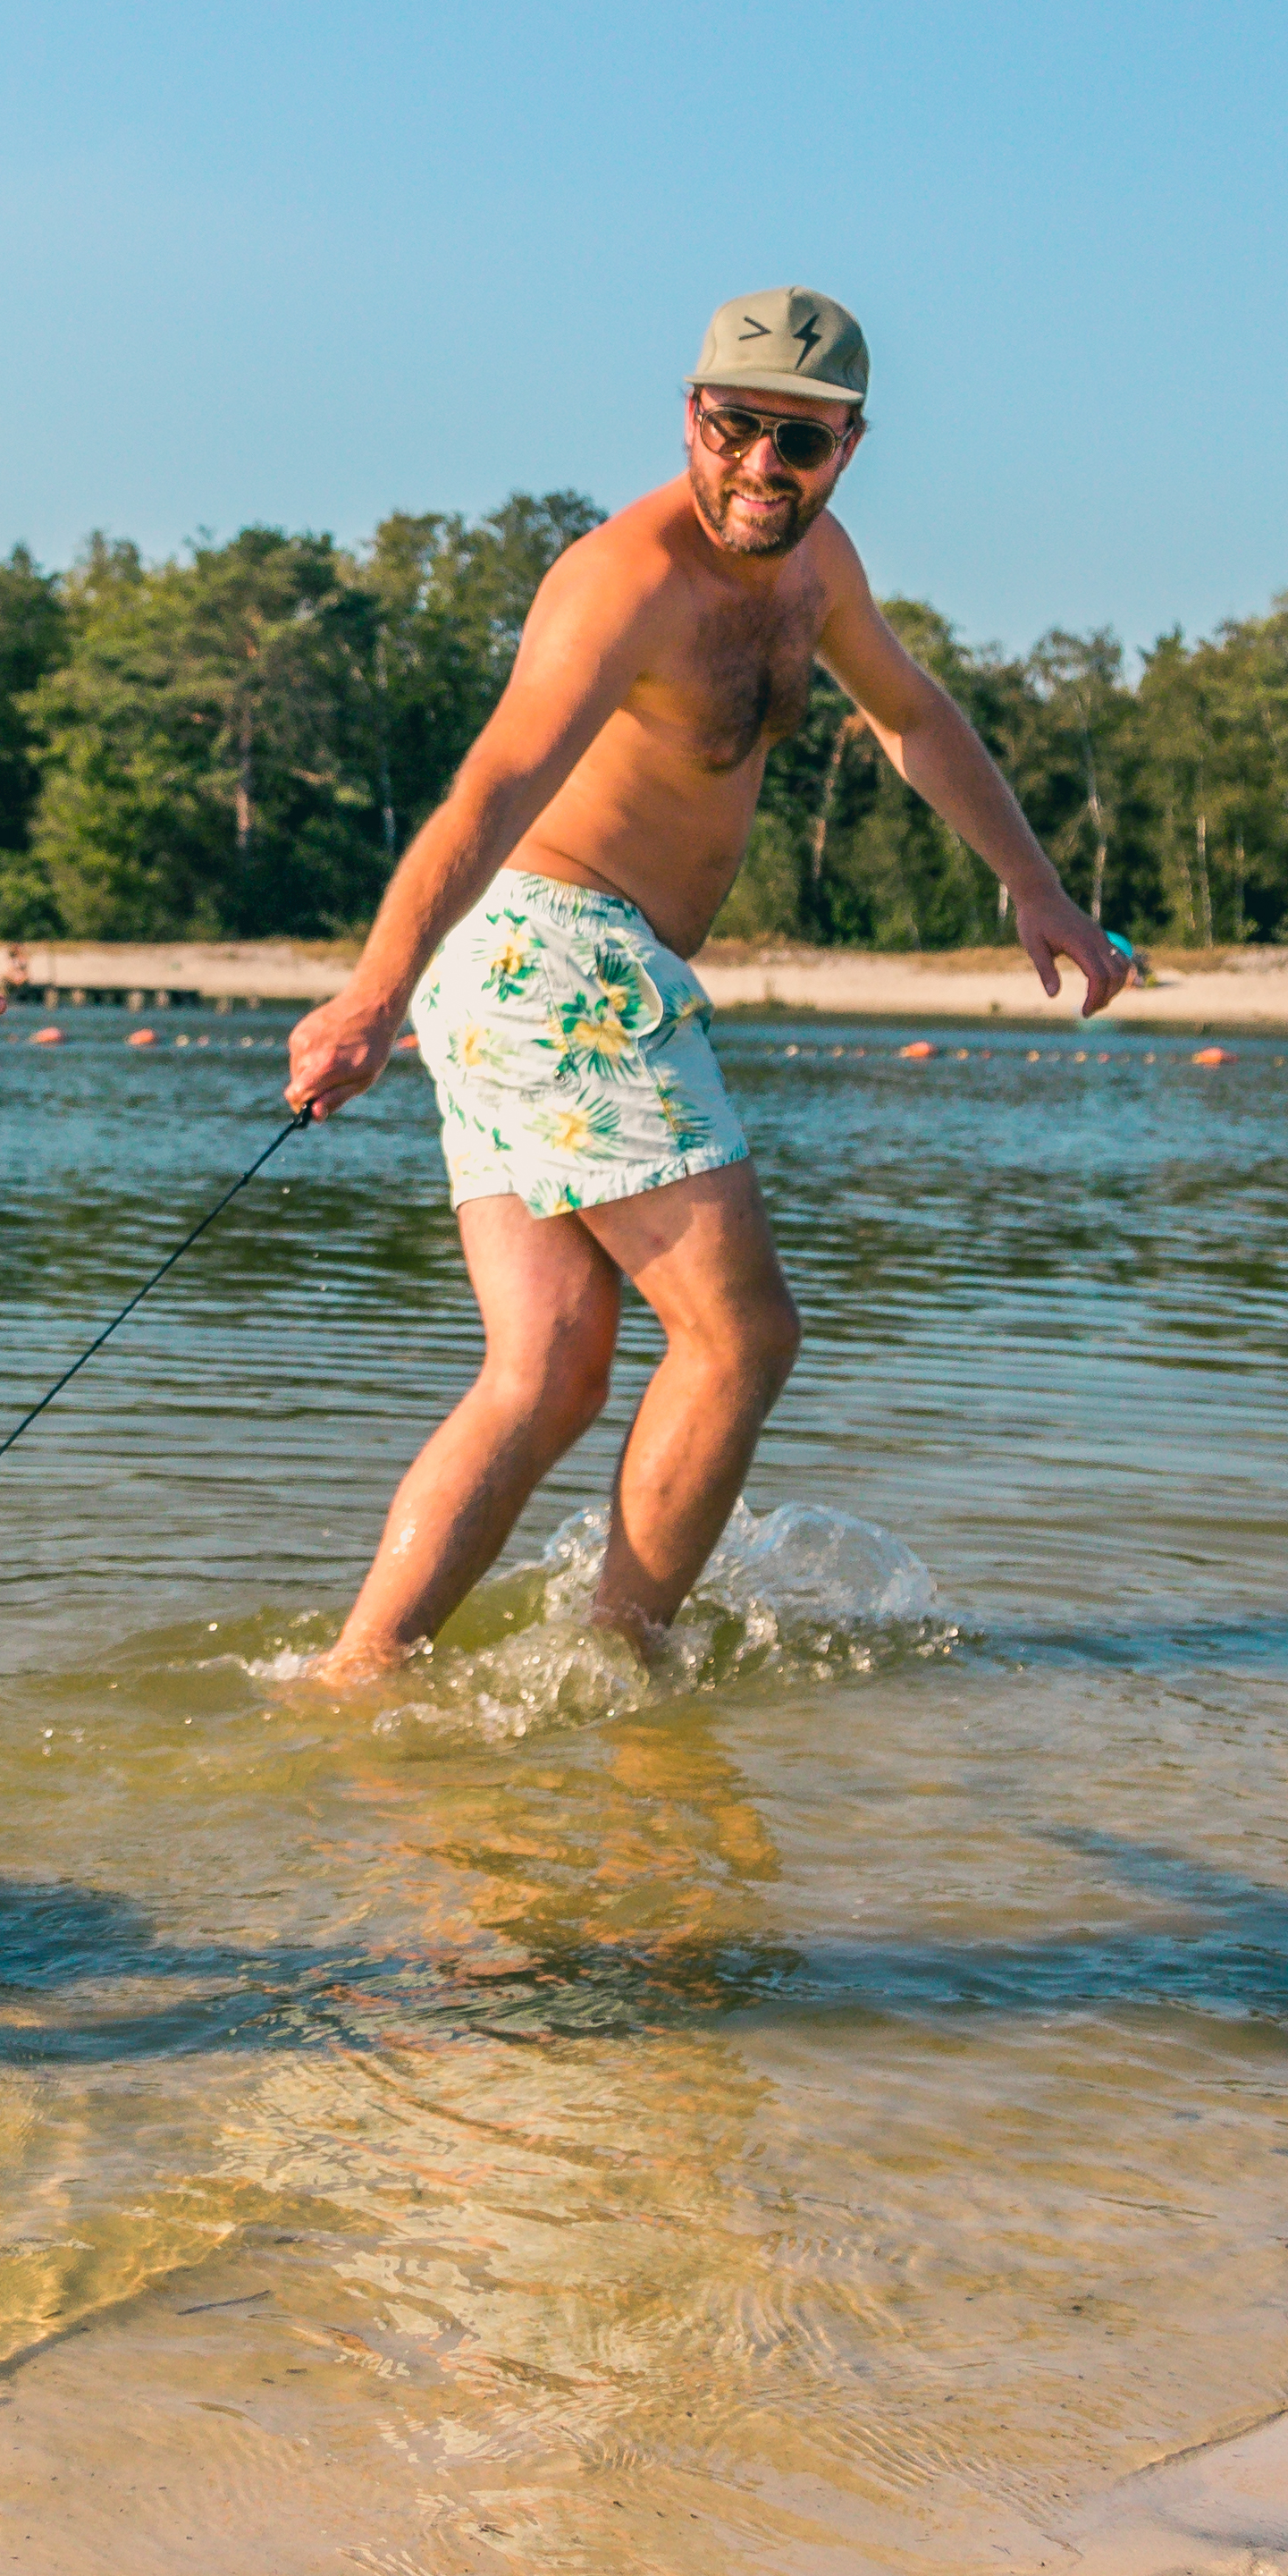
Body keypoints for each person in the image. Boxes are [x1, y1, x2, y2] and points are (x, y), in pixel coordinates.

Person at [279, 288, 1130, 1681]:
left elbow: (914, 714)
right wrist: (376, 989)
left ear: (848, 447)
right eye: (735, 429)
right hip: (557, 951)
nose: (759, 468)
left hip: (543, 964)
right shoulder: (628, 576)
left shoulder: (819, 568)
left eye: (798, 444)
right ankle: (626, 1668)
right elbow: (497, 775)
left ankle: (359, 1676)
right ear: (693, 415)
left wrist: (1034, 885)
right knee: (741, 1336)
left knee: (547, 1372)